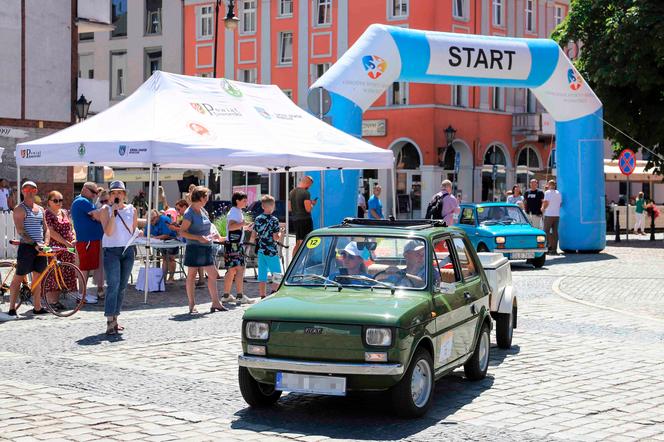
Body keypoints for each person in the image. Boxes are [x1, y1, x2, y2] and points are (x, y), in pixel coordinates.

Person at [99, 181, 137, 335]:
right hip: (111, 251)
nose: (117, 195)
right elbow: (108, 232)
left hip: (127, 250)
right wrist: (113, 214)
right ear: (109, 195)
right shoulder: (105, 210)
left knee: (122, 287)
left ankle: (116, 317)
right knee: (113, 284)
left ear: (124, 195)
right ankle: (109, 320)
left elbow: (133, 229)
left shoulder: (132, 210)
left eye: (119, 192)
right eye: (113, 192)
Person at [179, 186, 225, 314]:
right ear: (201, 198)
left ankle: (215, 302)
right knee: (192, 276)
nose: (208, 199)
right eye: (206, 197)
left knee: (213, 275)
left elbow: (208, 226)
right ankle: (192, 304)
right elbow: (182, 232)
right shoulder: (190, 213)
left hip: (206, 247)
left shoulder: (202, 210)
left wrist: (215, 235)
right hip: (194, 248)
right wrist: (198, 238)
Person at [7, 181, 50, 317]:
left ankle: (37, 307)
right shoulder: (19, 209)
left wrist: (46, 243)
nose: (30, 191)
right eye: (26, 189)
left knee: (38, 278)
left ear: (36, 191)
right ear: (22, 191)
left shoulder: (41, 209)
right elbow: (21, 231)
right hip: (27, 247)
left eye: (32, 189)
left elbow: (46, 228)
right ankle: (12, 308)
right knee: (19, 277)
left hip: (41, 248)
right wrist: (34, 244)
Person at [43, 191, 78, 308]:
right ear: (49, 201)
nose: (59, 203)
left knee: (63, 273)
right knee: (54, 274)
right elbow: (51, 232)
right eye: (55, 200)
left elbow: (71, 227)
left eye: (60, 200)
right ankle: (51, 302)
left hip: (68, 248)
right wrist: (66, 243)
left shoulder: (65, 212)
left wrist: (73, 238)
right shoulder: (47, 214)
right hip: (55, 248)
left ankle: (56, 301)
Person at [71, 182, 104, 302]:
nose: (95, 195)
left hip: (89, 239)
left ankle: (83, 294)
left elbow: (96, 216)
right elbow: (98, 216)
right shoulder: (82, 201)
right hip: (87, 240)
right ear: (85, 189)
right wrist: (97, 215)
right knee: (84, 268)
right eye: (93, 192)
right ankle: (82, 295)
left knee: (87, 267)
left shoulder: (85, 201)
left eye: (96, 193)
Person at [251, 195, 283, 299]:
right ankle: (274, 292)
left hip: (261, 250)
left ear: (262, 206)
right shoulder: (274, 220)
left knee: (262, 274)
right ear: (273, 206)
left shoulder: (258, 219)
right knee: (277, 273)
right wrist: (281, 233)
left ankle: (262, 295)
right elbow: (275, 238)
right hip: (271, 251)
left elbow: (253, 236)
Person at [222, 192, 251, 305]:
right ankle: (239, 296)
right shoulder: (234, 212)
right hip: (235, 245)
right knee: (239, 269)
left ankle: (226, 295)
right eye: (244, 200)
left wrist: (244, 226)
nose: (246, 202)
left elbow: (234, 227)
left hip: (232, 244)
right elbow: (231, 226)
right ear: (237, 201)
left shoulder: (236, 211)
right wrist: (243, 224)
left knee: (231, 270)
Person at [289, 175, 317, 256]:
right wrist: (312, 204)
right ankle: (302, 262)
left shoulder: (292, 192)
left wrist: (308, 202)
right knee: (304, 242)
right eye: (310, 185)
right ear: (308, 183)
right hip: (305, 220)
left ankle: (293, 262)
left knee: (297, 242)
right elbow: (308, 209)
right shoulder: (305, 193)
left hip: (295, 219)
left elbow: (290, 208)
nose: (309, 187)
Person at [149, 209, 178, 283]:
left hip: (172, 241)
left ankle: (171, 278)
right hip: (162, 242)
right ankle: (163, 279)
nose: (151, 223)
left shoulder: (164, 220)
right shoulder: (152, 222)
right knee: (164, 259)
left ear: (156, 217)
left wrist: (154, 237)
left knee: (171, 258)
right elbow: (148, 232)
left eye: (152, 220)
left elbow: (166, 234)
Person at [542, 180, 562, 255]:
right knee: (555, 232)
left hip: (549, 214)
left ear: (549, 185)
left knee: (546, 231)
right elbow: (560, 204)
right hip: (556, 215)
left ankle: (547, 247)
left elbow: (546, 202)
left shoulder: (547, 192)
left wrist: (543, 208)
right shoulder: (558, 193)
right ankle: (554, 249)